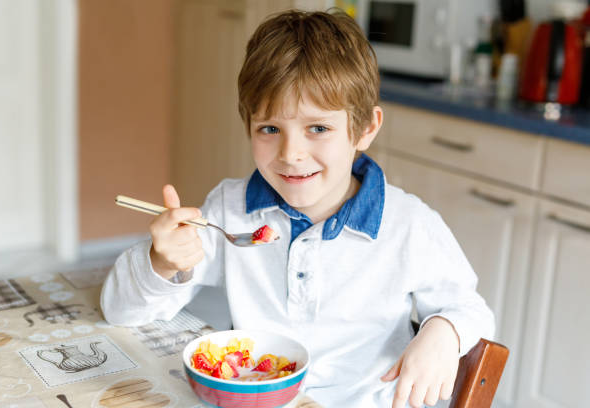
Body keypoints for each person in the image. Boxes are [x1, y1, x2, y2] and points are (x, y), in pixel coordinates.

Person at [101, 9, 494, 408]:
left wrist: (444, 331)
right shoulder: (229, 210)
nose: (291, 154)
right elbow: (120, 313)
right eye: (270, 129)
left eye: (318, 129)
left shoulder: (409, 224)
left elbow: (469, 307)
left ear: (365, 129)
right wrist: (162, 263)